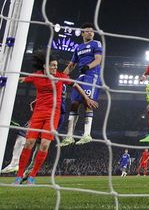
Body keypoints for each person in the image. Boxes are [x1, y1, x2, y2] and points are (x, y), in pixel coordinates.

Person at [14, 52, 98, 184]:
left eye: (56, 66)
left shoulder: (60, 76)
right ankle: (19, 176)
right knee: (29, 143)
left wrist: (87, 98)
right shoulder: (37, 76)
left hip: (53, 115)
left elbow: (75, 85)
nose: (55, 68)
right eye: (52, 66)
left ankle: (32, 177)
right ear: (45, 67)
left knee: (44, 145)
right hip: (38, 114)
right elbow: (21, 79)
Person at [60, 23, 103, 146]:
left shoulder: (96, 44)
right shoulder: (78, 48)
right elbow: (71, 65)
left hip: (92, 75)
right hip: (81, 76)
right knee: (74, 104)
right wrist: (61, 77)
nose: (90, 33)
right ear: (82, 33)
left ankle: (86, 134)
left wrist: (88, 66)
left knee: (87, 102)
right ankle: (69, 136)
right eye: (87, 31)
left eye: (92, 31)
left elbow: (98, 60)